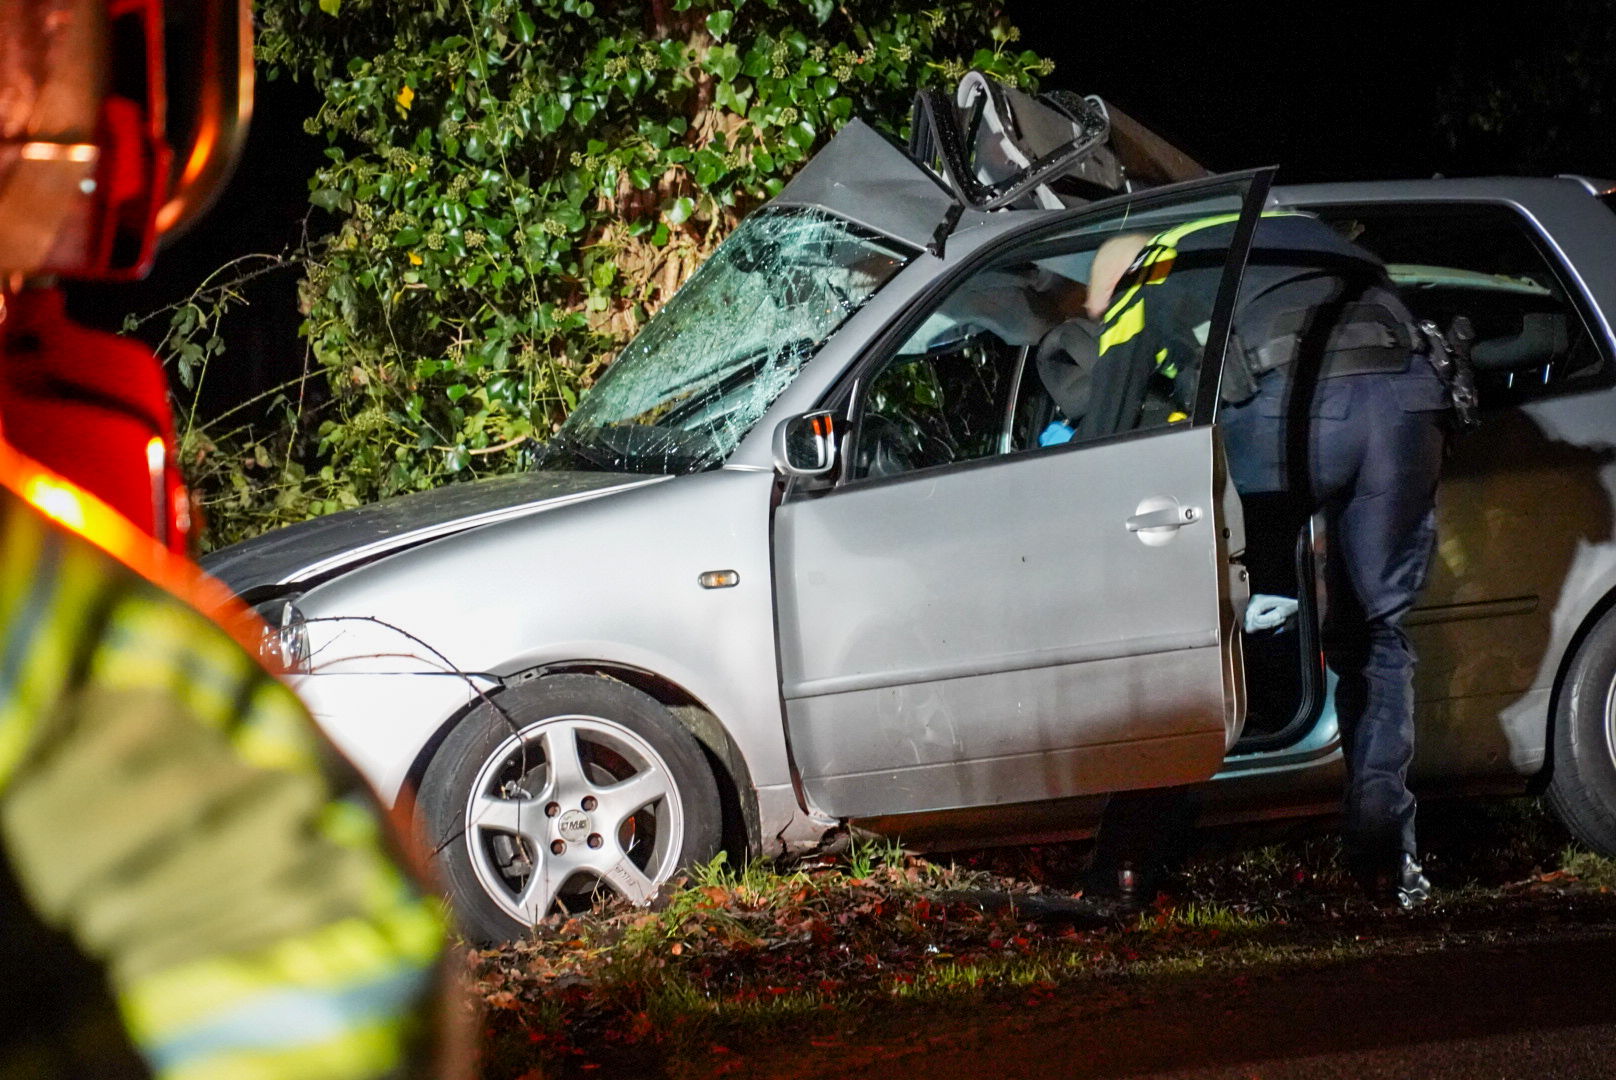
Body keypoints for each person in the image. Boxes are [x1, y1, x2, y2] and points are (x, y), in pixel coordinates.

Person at [1081, 213, 1450, 909]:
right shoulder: (1282, 231)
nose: (1097, 319)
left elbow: (1104, 428)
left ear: (1111, 282)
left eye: (1094, 309)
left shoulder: (1145, 275)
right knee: (1375, 634)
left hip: (1300, 405)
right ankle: (1386, 861)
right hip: (1408, 403)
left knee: (1198, 625)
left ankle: (1126, 865)